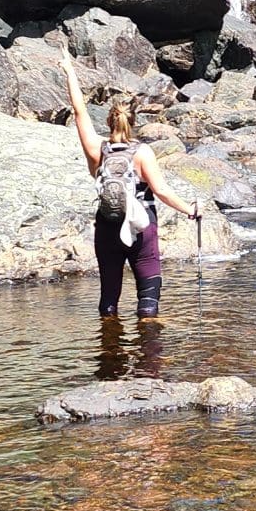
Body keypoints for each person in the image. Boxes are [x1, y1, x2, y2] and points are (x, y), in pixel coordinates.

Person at [62, 50, 200, 322]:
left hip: (107, 227)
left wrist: (69, 71)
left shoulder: (96, 150)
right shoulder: (143, 153)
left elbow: (79, 111)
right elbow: (161, 191)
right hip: (141, 227)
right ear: (133, 123)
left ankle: (110, 357)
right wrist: (191, 210)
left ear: (108, 122)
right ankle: (149, 360)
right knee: (148, 296)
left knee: (109, 299)